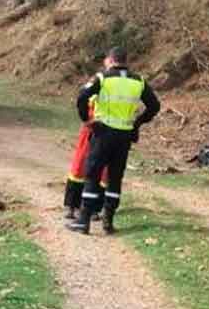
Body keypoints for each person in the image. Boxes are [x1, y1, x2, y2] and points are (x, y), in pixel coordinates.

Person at [67, 46, 160, 234]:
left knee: (92, 175)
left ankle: (83, 221)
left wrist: (88, 120)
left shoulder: (103, 78)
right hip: (124, 135)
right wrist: (138, 122)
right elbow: (154, 106)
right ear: (126, 61)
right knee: (115, 179)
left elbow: (82, 97)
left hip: (103, 133)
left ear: (110, 59)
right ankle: (108, 221)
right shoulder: (138, 81)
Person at [64, 95, 109, 219]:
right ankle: (72, 206)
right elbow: (82, 101)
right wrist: (88, 120)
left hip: (108, 134)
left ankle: (94, 208)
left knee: (103, 171)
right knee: (79, 166)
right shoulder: (95, 87)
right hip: (89, 131)